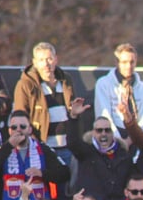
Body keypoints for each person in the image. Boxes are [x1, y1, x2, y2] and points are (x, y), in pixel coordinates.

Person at [13, 42, 87, 170]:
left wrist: (74, 113)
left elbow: (70, 111)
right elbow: (20, 116)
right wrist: (33, 143)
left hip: (67, 147)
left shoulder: (66, 80)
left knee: (67, 186)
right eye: (41, 60)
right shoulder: (25, 84)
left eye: (49, 59)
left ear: (56, 59)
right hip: (42, 148)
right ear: (34, 62)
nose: (46, 64)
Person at [68, 118, 130, 200]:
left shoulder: (123, 155)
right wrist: (74, 118)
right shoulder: (85, 152)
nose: (103, 134)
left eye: (107, 130)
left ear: (112, 133)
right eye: (99, 130)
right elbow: (72, 143)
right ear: (93, 133)